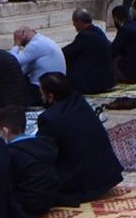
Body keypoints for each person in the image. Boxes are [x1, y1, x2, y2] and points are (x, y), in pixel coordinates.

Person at [35, 74, 124, 202]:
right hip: (106, 176)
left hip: (81, 183)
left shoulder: (50, 118)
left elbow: (41, 152)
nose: (40, 96)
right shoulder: (80, 102)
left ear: (50, 97)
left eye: (42, 93)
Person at [62, 10, 116, 96]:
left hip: (94, 83)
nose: (73, 25)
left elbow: (68, 51)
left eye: (74, 22)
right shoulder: (98, 31)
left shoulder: (85, 35)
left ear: (79, 21)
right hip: (107, 80)